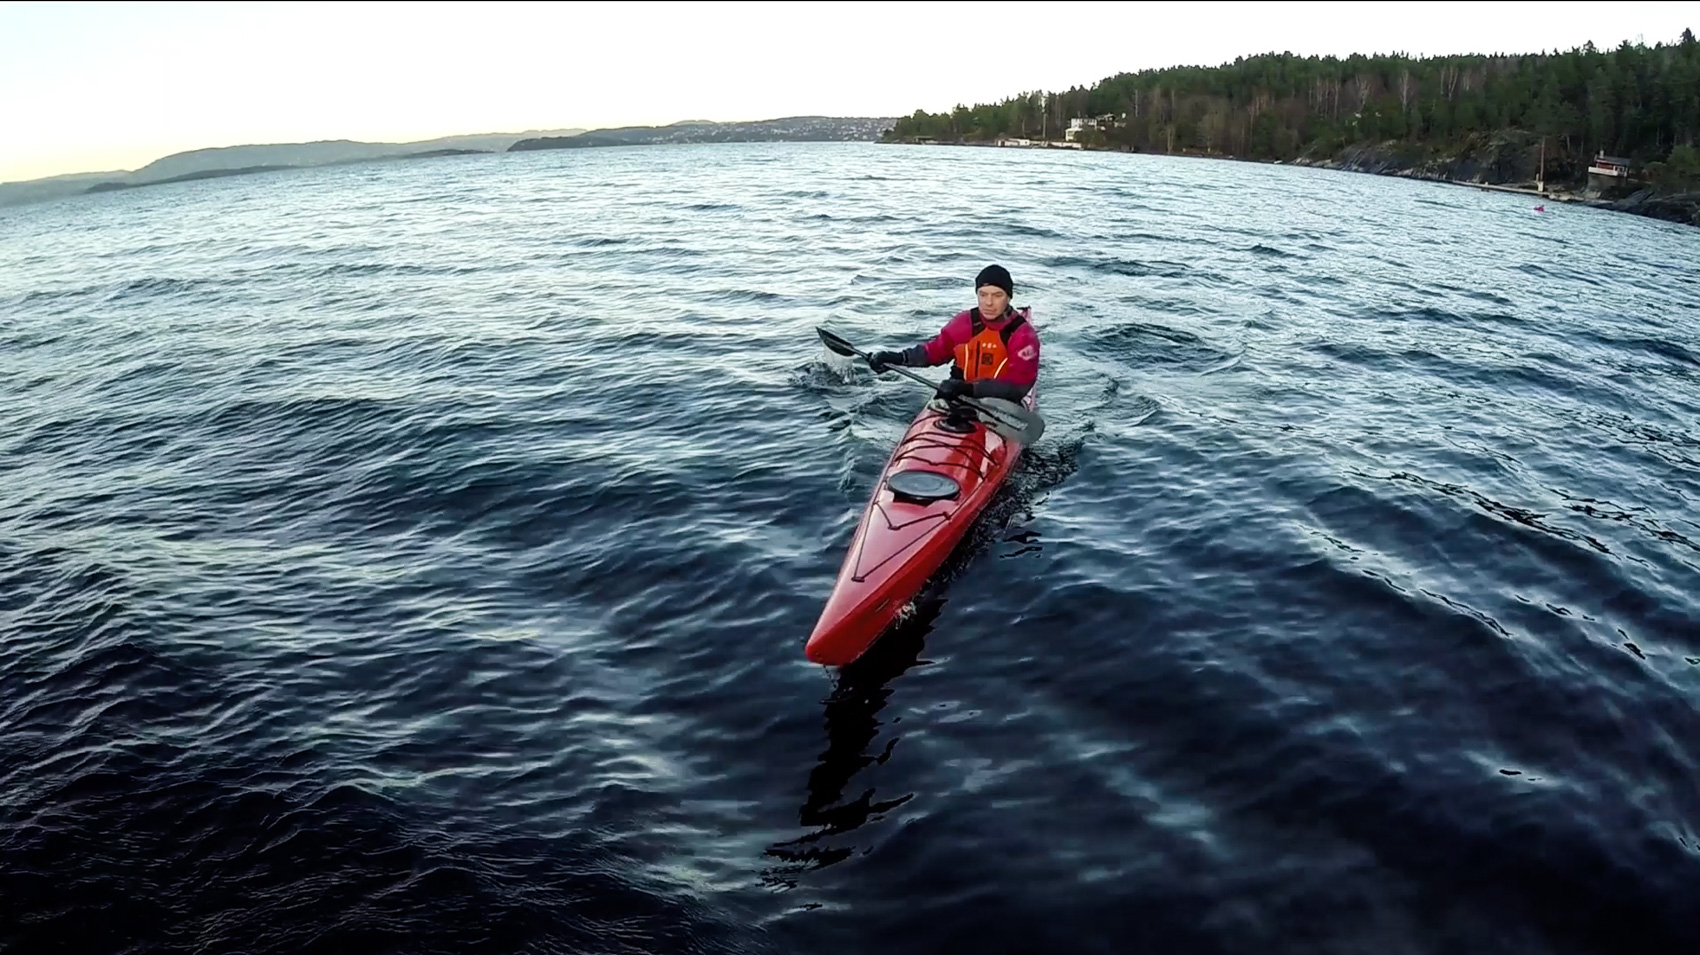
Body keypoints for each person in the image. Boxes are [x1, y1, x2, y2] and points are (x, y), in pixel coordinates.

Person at [868, 264, 1040, 406]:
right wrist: (894, 358)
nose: (989, 302)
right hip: (958, 396)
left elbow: (1019, 386)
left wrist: (968, 389)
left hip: (1003, 402)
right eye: (983, 294)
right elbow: (934, 352)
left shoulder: (1024, 335)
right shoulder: (964, 323)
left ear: (1008, 298)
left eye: (997, 295)